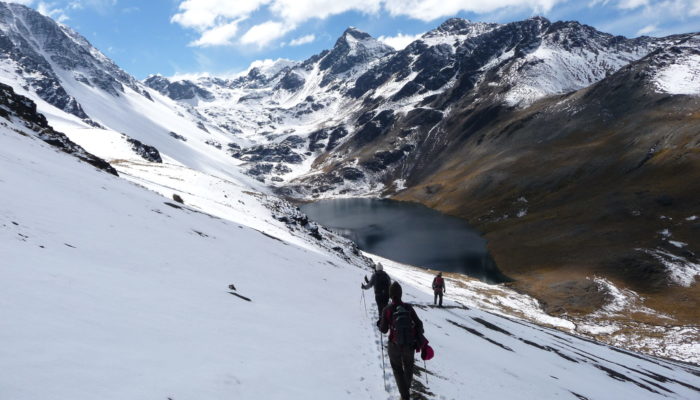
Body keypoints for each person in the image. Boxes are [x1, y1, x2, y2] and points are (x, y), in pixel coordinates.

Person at [380, 282, 424, 400]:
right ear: (400, 294)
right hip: (409, 345)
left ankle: (404, 396)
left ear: (390, 295)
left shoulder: (387, 309)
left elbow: (384, 330)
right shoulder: (408, 307)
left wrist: (380, 324)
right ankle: (405, 392)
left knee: (397, 369)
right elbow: (419, 323)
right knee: (408, 368)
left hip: (394, 345)